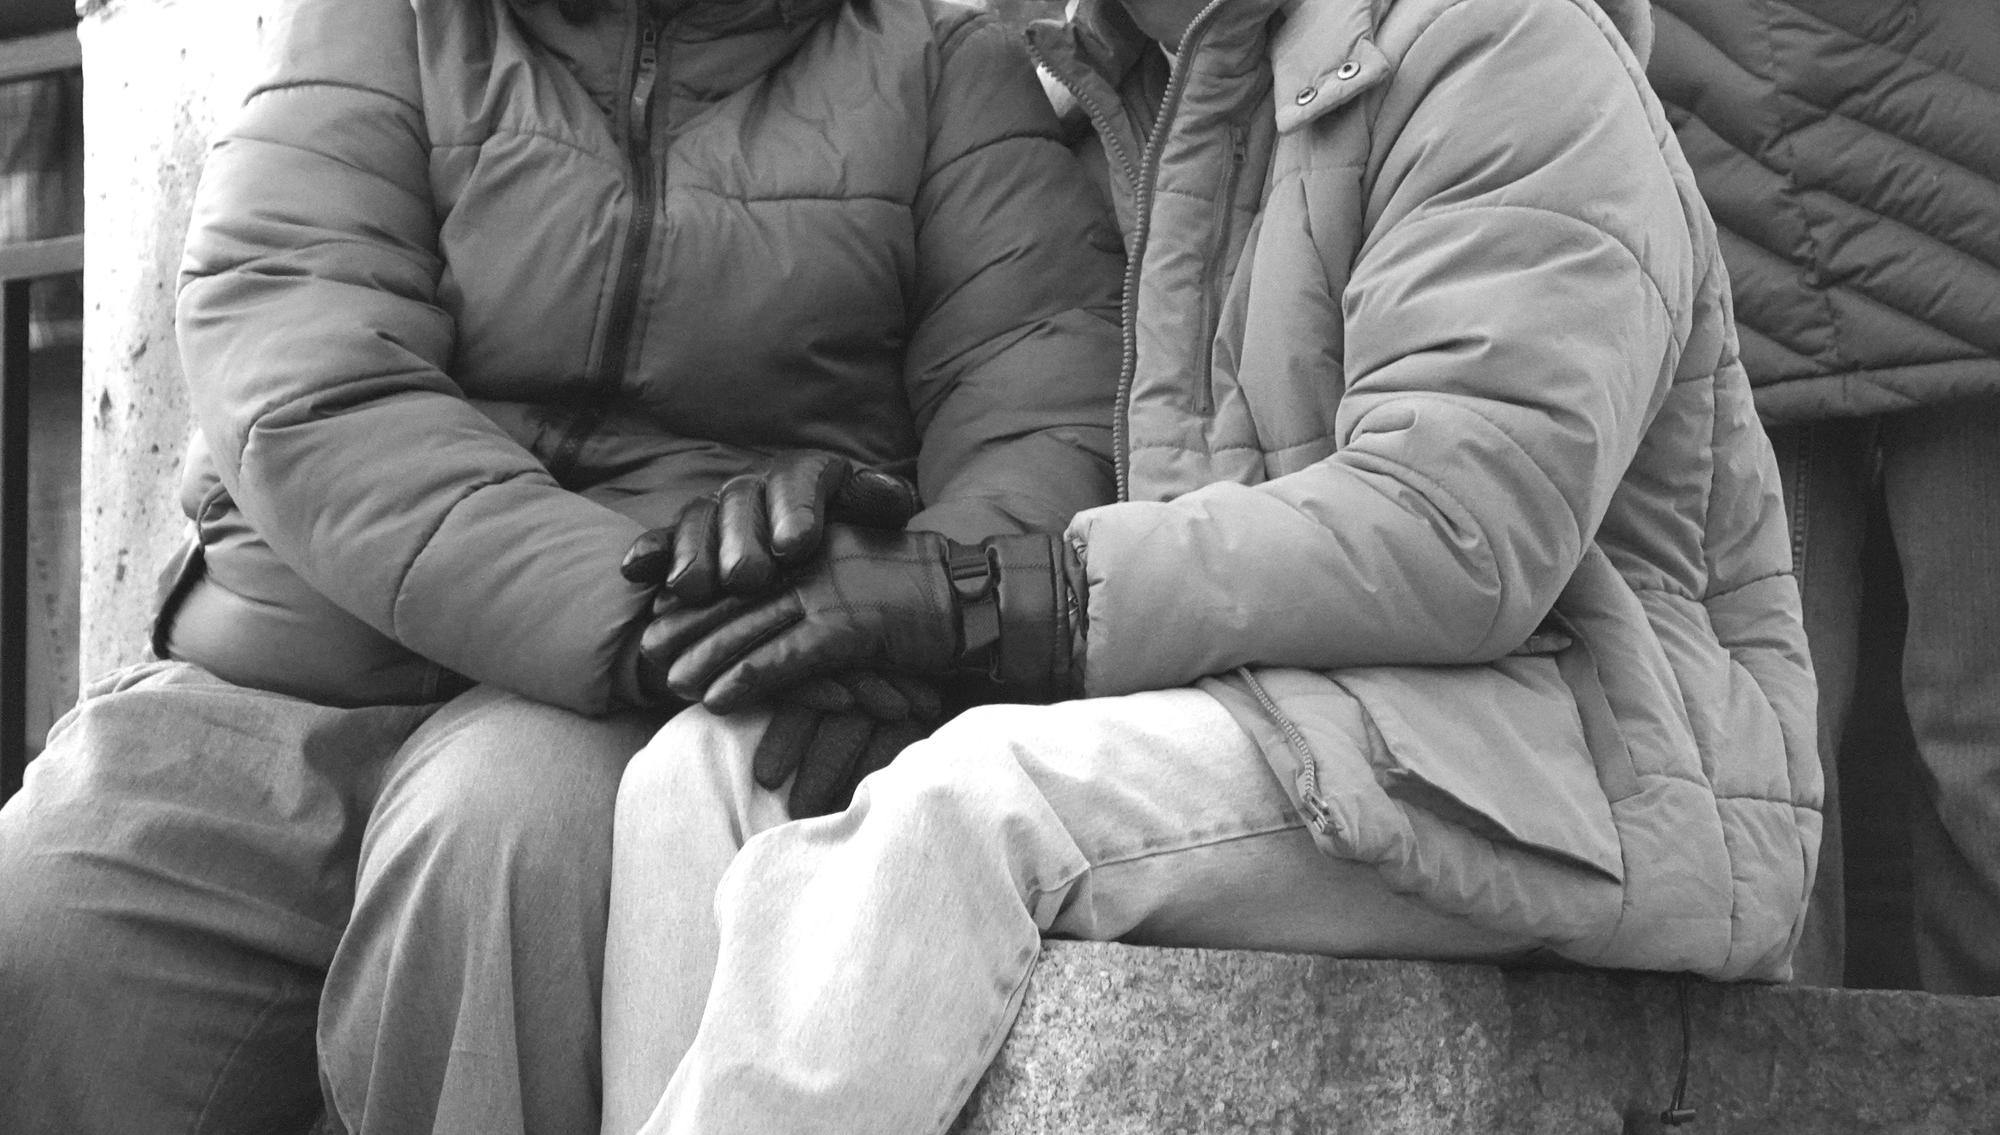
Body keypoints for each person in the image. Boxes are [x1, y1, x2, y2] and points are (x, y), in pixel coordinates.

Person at [598, 0, 1823, 1129]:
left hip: (1568, 748)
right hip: (1254, 696)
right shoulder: (1107, 86)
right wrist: (881, 581)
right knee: (708, 769)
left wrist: (999, 609)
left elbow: (1456, 531)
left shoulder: (1504, 45)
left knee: (971, 802)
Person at [0, 0, 1123, 1129]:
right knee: (58, 891)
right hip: (328, 653)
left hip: (646, 694)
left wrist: (902, 619)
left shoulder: (939, 65)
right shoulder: (384, 18)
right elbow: (308, 382)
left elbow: (1038, 418)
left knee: (505, 844)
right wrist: (644, 616)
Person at [1648, 0, 2000, 993]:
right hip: (1961, 186)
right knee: (1975, 725)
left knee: (1770, 725)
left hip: (1737, 186)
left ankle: (1778, 1047)